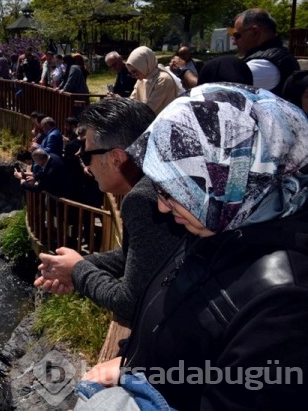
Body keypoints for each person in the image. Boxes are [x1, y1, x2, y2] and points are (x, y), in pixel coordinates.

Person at [82, 83, 308, 410]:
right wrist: (135, 366)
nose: (161, 206)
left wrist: (132, 394)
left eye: (173, 189)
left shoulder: (284, 304)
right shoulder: (221, 225)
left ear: (228, 177)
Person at [35, 98, 185, 322]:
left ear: (116, 158)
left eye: (86, 155)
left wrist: (77, 270)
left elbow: (129, 304)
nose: (85, 164)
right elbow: (135, 254)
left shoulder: (142, 199)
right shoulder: (158, 180)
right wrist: (73, 267)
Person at [232, 8, 299, 94]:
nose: (234, 42)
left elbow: (221, 85)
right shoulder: (274, 56)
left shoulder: (265, 65)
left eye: (237, 35)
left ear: (254, 32)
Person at [127, 46, 178, 115]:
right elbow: (132, 100)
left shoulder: (163, 79)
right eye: (131, 73)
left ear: (144, 65)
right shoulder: (142, 78)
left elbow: (149, 109)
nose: (134, 76)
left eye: (135, 71)